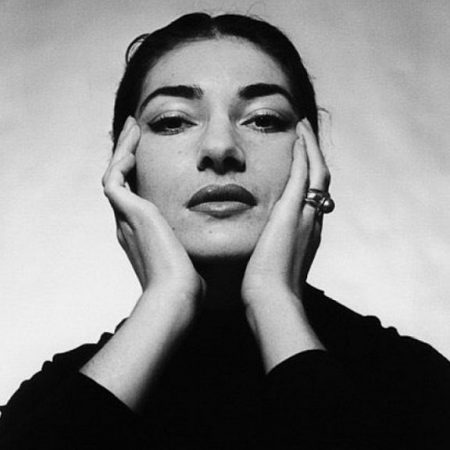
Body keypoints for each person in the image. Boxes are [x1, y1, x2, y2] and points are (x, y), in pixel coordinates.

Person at [1, 12, 449, 450]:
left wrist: (275, 301)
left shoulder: (414, 383)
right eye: (172, 121)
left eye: (264, 119)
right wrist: (166, 302)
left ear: (311, 158)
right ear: (126, 164)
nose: (220, 147)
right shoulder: (52, 403)